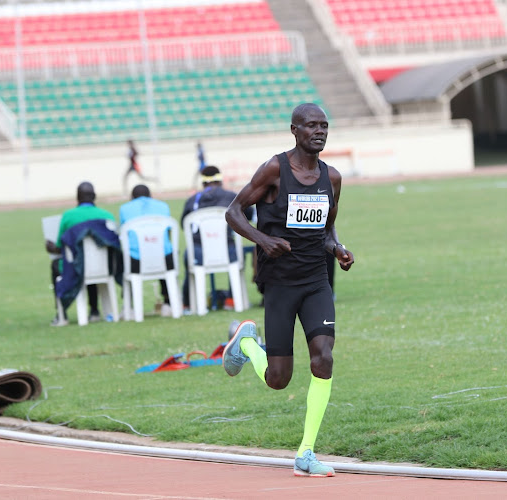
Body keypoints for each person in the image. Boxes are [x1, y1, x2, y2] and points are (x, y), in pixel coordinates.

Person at [222, 103, 354, 477]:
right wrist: (263, 239)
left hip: (316, 282)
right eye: (311, 125)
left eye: (324, 125)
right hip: (279, 284)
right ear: (294, 130)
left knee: (323, 357)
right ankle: (247, 343)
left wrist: (339, 249)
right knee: (278, 380)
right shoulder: (274, 170)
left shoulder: (333, 179)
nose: (319, 131)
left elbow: (327, 231)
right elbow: (233, 211)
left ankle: (306, 453)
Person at [180, 165, 254, 312]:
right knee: (239, 253)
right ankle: (231, 300)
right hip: (227, 251)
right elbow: (250, 215)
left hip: (198, 252)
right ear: (220, 181)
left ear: (203, 183)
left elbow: (185, 225)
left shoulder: (192, 200)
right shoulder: (232, 196)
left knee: (189, 255)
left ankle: (187, 303)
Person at [45, 181, 117, 326]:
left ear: (77, 197)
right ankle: (95, 310)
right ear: (95, 196)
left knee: (61, 263)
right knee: (89, 261)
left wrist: (51, 247)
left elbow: (62, 247)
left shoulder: (68, 216)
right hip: (105, 267)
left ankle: (61, 314)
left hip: (76, 268)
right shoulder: (107, 216)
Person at [119, 184, 175, 316]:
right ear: (151, 197)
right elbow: (168, 233)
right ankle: (169, 303)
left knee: (124, 257)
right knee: (163, 250)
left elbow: (124, 235)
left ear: (132, 198)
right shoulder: (163, 206)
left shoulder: (124, 209)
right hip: (165, 259)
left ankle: (129, 306)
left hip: (135, 262)